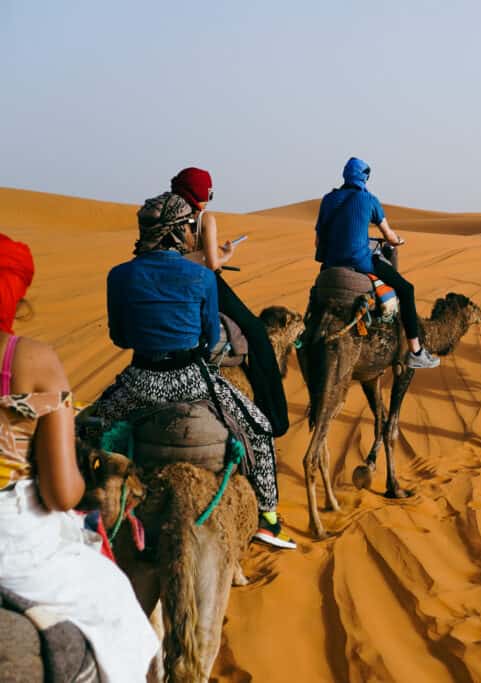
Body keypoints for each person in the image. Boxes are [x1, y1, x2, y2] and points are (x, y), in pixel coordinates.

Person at [92, 193, 295, 549]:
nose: (190, 232)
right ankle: (268, 517)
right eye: (186, 227)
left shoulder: (118, 276)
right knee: (260, 430)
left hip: (138, 382)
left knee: (86, 430)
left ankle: (80, 515)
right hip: (191, 381)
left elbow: (120, 336)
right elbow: (210, 336)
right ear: (175, 232)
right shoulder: (200, 276)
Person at [0, 233, 159, 681]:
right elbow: (59, 493)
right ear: (17, 296)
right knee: (116, 605)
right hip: (13, 538)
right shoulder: (33, 360)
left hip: (138, 380)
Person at [169, 167, 290, 437]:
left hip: (164, 285)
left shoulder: (163, 216)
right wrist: (227, 253)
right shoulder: (203, 218)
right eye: (208, 192)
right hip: (201, 282)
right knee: (256, 331)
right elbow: (212, 264)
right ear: (199, 192)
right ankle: (274, 419)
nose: (209, 199)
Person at [314, 157, 440, 368]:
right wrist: (398, 240)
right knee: (407, 290)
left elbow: (318, 241)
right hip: (361, 262)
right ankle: (416, 352)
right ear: (365, 177)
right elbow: (389, 236)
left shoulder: (328, 199)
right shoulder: (369, 200)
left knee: (317, 292)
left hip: (330, 263)